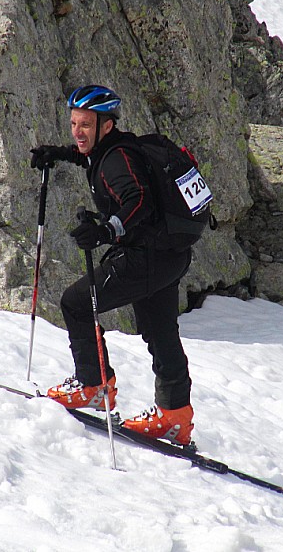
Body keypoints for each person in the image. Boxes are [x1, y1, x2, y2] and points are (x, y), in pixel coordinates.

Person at [30, 85, 195, 446]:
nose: (77, 131)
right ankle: (175, 416)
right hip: (171, 254)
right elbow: (90, 157)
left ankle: (93, 384)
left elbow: (138, 201)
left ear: (106, 125)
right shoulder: (114, 148)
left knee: (76, 303)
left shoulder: (116, 161)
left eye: (85, 124)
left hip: (145, 257)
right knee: (160, 330)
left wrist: (106, 229)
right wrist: (58, 154)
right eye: (74, 123)